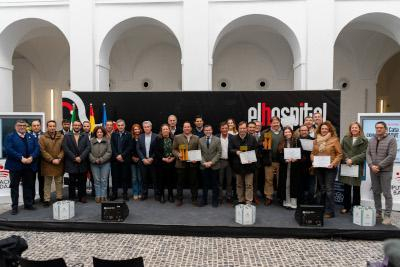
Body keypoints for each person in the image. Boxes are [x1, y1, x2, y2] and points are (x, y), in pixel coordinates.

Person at [5, 120, 39, 215]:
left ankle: (28, 204)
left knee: (28, 186)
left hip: (29, 166)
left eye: (24, 125)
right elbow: (9, 150)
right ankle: (15, 206)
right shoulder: (10, 137)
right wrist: (21, 158)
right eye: (20, 125)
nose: (22, 127)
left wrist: (32, 157)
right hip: (15, 166)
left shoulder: (31, 136)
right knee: (14, 187)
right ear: (16, 127)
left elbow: (37, 148)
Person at [366, 121, 397, 225]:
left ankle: (387, 215)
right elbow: (368, 153)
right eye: (377, 128)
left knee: (387, 193)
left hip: (385, 171)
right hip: (373, 170)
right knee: (376, 192)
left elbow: (391, 156)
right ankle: (378, 212)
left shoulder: (391, 139)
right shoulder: (371, 140)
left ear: (385, 129)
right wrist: (371, 165)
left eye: (381, 128)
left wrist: (379, 166)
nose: (378, 129)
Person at [311, 121, 342, 218]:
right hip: (319, 168)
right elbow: (312, 153)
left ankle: (330, 211)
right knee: (323, 189)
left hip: (330, 169)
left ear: (329, 130)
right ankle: (322, 208)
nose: (324, 130)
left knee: (329, 190)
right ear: (319, 129)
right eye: (322, 128)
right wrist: (313, 161)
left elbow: (340, 154)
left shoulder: (334, 140)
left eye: (326, 129)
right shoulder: (316, 141)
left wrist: (333, 164)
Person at [339, 122, 368, 214]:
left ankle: (356, 207)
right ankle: (346, 207)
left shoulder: (364, 140)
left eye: (356, 128)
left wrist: (353, 160)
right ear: (350, 129)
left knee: (356, 188)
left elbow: (365, 153)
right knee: (346, 187)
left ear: (359, 129)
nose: (354, 129)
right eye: (352, 128)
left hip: (357, 165)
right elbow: (341, 150)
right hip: (346, 164)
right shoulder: (345, 138)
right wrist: (347, 159)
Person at [229, 121, 258, 205]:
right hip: (238, 165)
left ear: (247, 129)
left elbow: (256, 149)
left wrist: (251, 155)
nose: (242, 130)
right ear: (238, 129)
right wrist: (236, 152)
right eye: (241, 128)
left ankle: (249, 200)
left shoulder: (252, 138)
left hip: (249, 165)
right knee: (239, 184)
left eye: (244, 128)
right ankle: (240, 200)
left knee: (249, 185)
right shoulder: (233, 138)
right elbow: (230, 149)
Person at [62, 120, 91, 203]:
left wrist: (81, 157)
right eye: (75, 125)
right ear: (73, 126)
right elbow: (65, 148)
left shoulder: (85, 135)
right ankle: (72, 197)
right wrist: (74, 158)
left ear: (81, 126)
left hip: (82, 162)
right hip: (72, 162)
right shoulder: (67, 136)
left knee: (82, 181)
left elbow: (88, 147)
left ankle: (82, 196)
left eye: (78, 125)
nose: (77, 126)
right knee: (72, 182)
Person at [172, 121, 200, 206]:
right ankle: (179, 199)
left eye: (188, 127)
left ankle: (194, 199)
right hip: (181, 163)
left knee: (193, 182)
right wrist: (178, 154)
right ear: (183, 128)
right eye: (185, 127)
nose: (187, 128)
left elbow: (199, 150)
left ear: (191, 128)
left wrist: (196, 159)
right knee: (180, 182)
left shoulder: (196, 138)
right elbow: (173, 149)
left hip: (193, 164)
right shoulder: (177, 137)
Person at [39, 120, 64, 207]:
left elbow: (64, 149)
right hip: (47, 163)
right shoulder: (42, 137)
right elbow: (42, 151)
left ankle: (59, 198)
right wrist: (52, 160)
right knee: (47, 183)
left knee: (59, 181)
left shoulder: (61, 136)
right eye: (50, 126)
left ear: (55, 127)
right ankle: (47, 199)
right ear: (47, 127)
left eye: (54, 126)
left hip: (59, 162)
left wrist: (59, 158)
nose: (52, 128)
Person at [277, 127, 303, 209]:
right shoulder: (281, 143)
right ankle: (286, 201)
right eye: (285, 132)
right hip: (285, 167)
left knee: (294, 183)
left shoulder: (296, 141)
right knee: (286, 183)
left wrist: (296, 159)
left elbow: (301, 153)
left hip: (294, 167)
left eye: (289, 132)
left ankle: (293, 202)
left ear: (292, 133)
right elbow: (278, 156)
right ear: (283, 134)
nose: (287, 133)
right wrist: (284, 160)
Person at [259, 116, 283, 206]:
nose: (276, 124)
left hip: (281, 161)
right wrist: (262, 144)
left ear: (279, 123)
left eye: (277, 122)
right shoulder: (265, 132)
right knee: (268, 179)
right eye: (274, 122)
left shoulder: (284, 132)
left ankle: (280, 197)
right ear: (270, 123)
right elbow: (259, 143)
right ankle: (269, 197)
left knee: (280, 180)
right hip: (269, 160)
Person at [199, 125, 222, 207]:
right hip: (204, 165)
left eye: (209, 130)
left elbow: (219, 153)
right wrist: (204, 162)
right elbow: (199, 153)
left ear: (212, 131)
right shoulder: (200, 140)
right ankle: (204, 200)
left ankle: (215, 200)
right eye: (206, 130)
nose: (208, 131)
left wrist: (211, 162)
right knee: (204, 184)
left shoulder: (217, 140)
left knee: (214, 184)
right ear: (204, 131)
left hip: (214, 166)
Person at [110, 119, 132, 201]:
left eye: (122, 125)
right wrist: (117, 156)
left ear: (124, 126)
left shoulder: (129, 134)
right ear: (117, 126)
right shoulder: (114, 134)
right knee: (115, 178)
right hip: (115, 160)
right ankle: (114, 194)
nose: (120, 127)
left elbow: (129, 147)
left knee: (125, 177)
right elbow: (112, 146)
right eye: (118, 125)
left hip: (125, 160)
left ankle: (125, 194)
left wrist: (122, 156)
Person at [89, 126, 112, 203]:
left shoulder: (107, 141)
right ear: (95, 133)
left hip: (105, 163)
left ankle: (103, 196)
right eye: (98, 132)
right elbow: (88, 152)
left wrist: (101, 160)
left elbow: (109, 152)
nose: (99, 133)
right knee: (97, 180)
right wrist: (94, 160)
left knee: (104, 180)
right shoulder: (91, 141)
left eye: (101, 132)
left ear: (103, 133)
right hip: (94, 163)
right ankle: (98, 196)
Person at [137, 121, 158, 201]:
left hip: (153, 161)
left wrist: (152, 158)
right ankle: (144, 194)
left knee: (155, 179)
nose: (146, 128)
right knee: (144, 179)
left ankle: (157, 194)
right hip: (143, 161)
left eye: (148, 126)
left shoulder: (156, 136)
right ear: (143, 128)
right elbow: (138, 149)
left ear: (151, 127)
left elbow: (157, 149)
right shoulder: (140, 137)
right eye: (145, 127)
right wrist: (143, 159)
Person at [154, 124, 175, 203]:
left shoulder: (173, 139)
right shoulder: (157, 139)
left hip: (171, 162)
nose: (165, 130)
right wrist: (163, 158)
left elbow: (176, 149)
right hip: (161, 163)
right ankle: (162, 195)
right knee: (161, 180)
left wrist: (172, 158)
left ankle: (170, 195)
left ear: (169, 130)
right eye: (164, 129)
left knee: (170, 180)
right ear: (161, 131)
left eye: (167, 129)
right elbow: (156, 151)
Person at [216, 121, 233, 203]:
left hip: (230, 162)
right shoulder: (216, 137)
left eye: (226, 128)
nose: (224, 129)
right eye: (223, 128)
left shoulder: (233, 137)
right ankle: (220, 197)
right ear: (220, 129)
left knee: (229, 181)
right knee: (220, 181)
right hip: (220, 161)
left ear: (228, 128)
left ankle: (229, 196)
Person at [298, 125, 315, 204]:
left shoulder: (313, 140)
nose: (304, 132)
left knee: (310, 186)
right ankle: (301, 202)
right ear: (299, 132)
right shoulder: (296, 140)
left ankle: (310, 202)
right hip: (299, 167)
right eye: (302, 130)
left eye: (305, 130)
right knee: (300, 185)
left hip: (310, 166)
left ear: (308, 131)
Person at [30, 119, 44, 203]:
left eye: (38, 125)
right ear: (31, 127)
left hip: (43, 162)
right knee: (31, 181)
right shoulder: (27, 135)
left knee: (42, 181)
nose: (36, 127)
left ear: (40, 126)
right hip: (31, 162)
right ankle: (31, 199)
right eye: (34, 125)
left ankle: (43, 198)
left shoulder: (45, 135)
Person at [130, 124, 142, 200]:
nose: (137, 131)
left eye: (138, 129)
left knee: (140, 178)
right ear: (133, 130)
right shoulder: (131, 138)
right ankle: (135, 192)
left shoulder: (142, 137)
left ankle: (140, 192)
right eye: (135, 129)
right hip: (132, 161)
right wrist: (132, 157)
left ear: (140, 129)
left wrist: (140, 158)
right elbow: (129, 149)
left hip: (141, 160)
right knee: (134, 178)